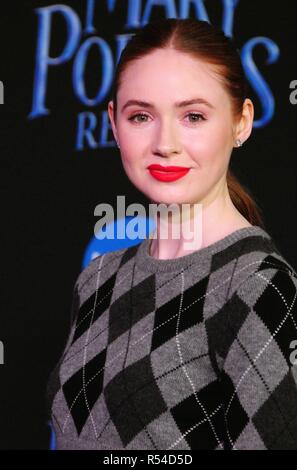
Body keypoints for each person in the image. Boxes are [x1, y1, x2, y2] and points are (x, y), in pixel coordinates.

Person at [47, 18, 297, 450]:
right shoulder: (98, 278)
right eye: (141, 115)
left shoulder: (258, 286)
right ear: (113, 122)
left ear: (242, 122)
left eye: (193, 116)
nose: (166, 143)